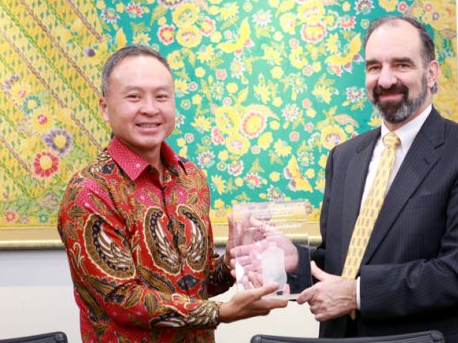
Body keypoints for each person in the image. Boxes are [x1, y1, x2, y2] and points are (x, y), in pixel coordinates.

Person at [296, 16, 458, 343]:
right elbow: (340, 261)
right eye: (374, 67)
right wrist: (292, 262)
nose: (385, 79)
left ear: (431, 73)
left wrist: (357, 295)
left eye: (401, 65)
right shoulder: (344, 157)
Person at [57, 44, 287, 342]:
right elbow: (122, 299)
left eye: (162, 96)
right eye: (134, 96)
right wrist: (220, 312)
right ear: (104, 107)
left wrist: (231, 263)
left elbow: (198, 284)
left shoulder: (191, 178)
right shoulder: (90, 192)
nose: (150, 108)